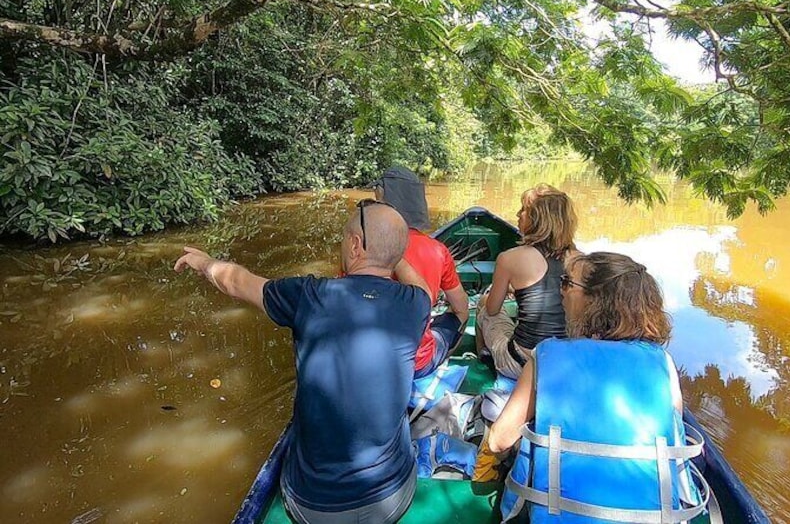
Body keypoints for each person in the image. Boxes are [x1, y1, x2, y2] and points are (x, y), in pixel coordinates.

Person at [174, 201, 431, 524]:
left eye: (345, 237)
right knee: (405, 431)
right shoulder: (415, 304)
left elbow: (236, 282)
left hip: (313, 508)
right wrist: (392, 254)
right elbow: (421, 286)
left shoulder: (309, 296)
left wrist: (205, 262)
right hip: (391, 500)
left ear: (355, 245)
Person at [488, 252, 707, 523]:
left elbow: (499, 440)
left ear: (595, 300)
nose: (561, 290)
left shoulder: (546, 355)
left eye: (567, 283)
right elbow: (673, 435)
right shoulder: (663, 363)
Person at [373, 165, 469, 378]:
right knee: (459, 315)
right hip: (416, 363)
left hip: (372, 360)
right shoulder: (438, 250)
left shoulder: (361, 248)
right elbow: (462, 308)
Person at [475, 184, 578, 379]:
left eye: (523, 210)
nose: (517, 214)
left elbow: (492, 310)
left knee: (483, 304)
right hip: (563, 364)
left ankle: (484, 357)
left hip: (519, 365)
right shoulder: (581, 261)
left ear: (537, 219)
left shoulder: (509, 258)